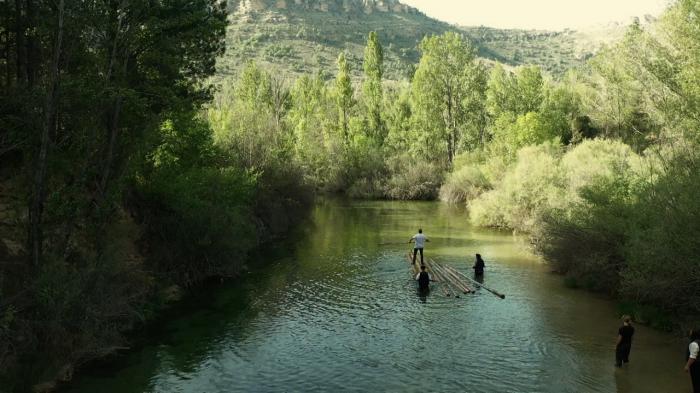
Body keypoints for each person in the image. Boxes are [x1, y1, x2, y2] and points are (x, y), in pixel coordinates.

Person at [685, 328, 700, 392]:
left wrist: (687, 366)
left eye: (691, 333)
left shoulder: (694, 344)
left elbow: (692, 357)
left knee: (696, 382)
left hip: (696, 366)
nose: (690, 334)